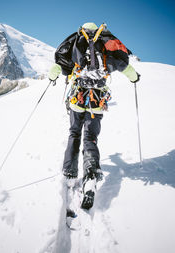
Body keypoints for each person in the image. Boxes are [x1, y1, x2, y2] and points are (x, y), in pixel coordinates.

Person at [48, 22, 140, 209]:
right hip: (97, 101)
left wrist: (52, 76)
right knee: (90, 137)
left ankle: (69, 173)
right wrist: (135, 77)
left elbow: (59, 65)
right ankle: (90, 177)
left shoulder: (76, 42)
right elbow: (124, 67)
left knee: (74, 133)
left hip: (77, 99)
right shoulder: (105, 44)